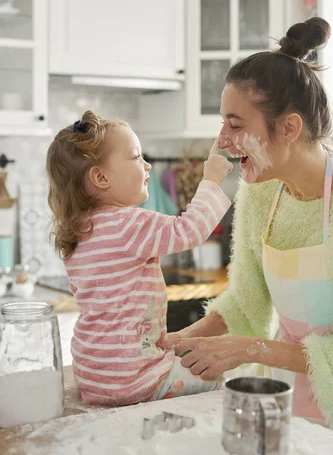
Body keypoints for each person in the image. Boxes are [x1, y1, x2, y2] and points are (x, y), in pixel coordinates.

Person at [161, 18, 333, 453]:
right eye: (223, 124)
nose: (222, 142)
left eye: (235, 126)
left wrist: (250, 348)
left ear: (289, 128)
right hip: (282, 396)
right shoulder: (263, 192)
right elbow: (246, 301)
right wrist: (180, 341)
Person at [46, 111, 232, 406]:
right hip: (135, 379)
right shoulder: (128, 223)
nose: (147, 166)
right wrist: (211, 180)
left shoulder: (79, 229)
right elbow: (190, 230)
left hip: (94, 376)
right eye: (135, 157)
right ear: (101, 177)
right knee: (217, 381)